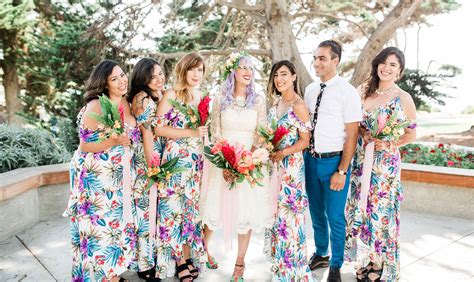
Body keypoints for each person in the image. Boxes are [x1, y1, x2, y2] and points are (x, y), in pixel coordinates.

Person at [345, 47, 416, 282]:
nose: (387, 68)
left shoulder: (403, 98)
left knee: (380, 212)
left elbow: (411, 134)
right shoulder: (362, 91)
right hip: (360, 161)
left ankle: (379, 263)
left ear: (400, 71)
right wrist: (364, 133)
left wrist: (388, 144)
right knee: (360, 209)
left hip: (384, 165)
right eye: (383, 63)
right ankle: (363, 260)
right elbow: (354, 123)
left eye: (393, 65)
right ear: (376, 65)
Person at [200, 52, 273, 282]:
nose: (248, 72)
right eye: (243, 67)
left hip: (249, 163)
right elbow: (216, 131)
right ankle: (205, 250)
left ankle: (240, 264)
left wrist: (247, 160)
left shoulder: (259, 100)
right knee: (213, 211)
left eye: (251, 68)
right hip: (223, 162)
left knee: (245, 214)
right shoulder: (220, 98)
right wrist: (227, 161)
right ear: (233, 71)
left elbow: (261, 133)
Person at [64, 60, 138, 281]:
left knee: (115, 229)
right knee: (100, 231)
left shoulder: (126, 103)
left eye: (122, 75)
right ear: (104, 83)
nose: (121, 81)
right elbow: (85, 145)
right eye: (114, 79)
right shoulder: (95, 105)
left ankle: (112, 275)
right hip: (96, 179)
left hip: (119, 178)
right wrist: (114, 142)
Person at [303, 40, 362, 282]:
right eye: (315, 58)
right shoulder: (309, 90)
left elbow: (352, 133)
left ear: (335, 61)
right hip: (310, 160)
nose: (317, 63)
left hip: (334, 163)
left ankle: (337, 263)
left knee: (335, 215)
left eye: (322, 58)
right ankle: (321, 253)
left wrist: (342, 169)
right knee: (316, 212)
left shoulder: (347, 91)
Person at [153, 52, 208, 281]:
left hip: (196, 162)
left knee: (189, 213)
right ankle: (179, 262)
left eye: (200, 70)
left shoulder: (202, 97)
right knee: (172, 212)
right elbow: (159, 129)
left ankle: (187, 257)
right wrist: (191, 132)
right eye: (192, 69)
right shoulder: (171, 94)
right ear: (183, 70)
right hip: (175, 162)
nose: (196, 74)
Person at [263, 60, 313, 281]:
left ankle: (293, 272)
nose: (279, 79)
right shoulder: (276, 104)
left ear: (294, 76)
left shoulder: (298, 105)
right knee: (276, 217)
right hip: (274, 167)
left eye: (284, 74)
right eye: (276, 76)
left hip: (290, 168)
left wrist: (284, 152)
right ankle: (279, 266)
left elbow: (305, 140)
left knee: (290, 218)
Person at [127, 57, 166, 281]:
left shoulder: (155, 95)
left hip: (155, 155)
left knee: (152, 212)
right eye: (152, 76)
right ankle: (144, 266)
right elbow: (147, 132)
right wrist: (153, 166)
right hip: (146, 159)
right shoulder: (142, 98)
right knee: (145, 212)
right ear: (143, 78)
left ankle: (149, 260)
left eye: (160, 74)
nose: (158, 79)